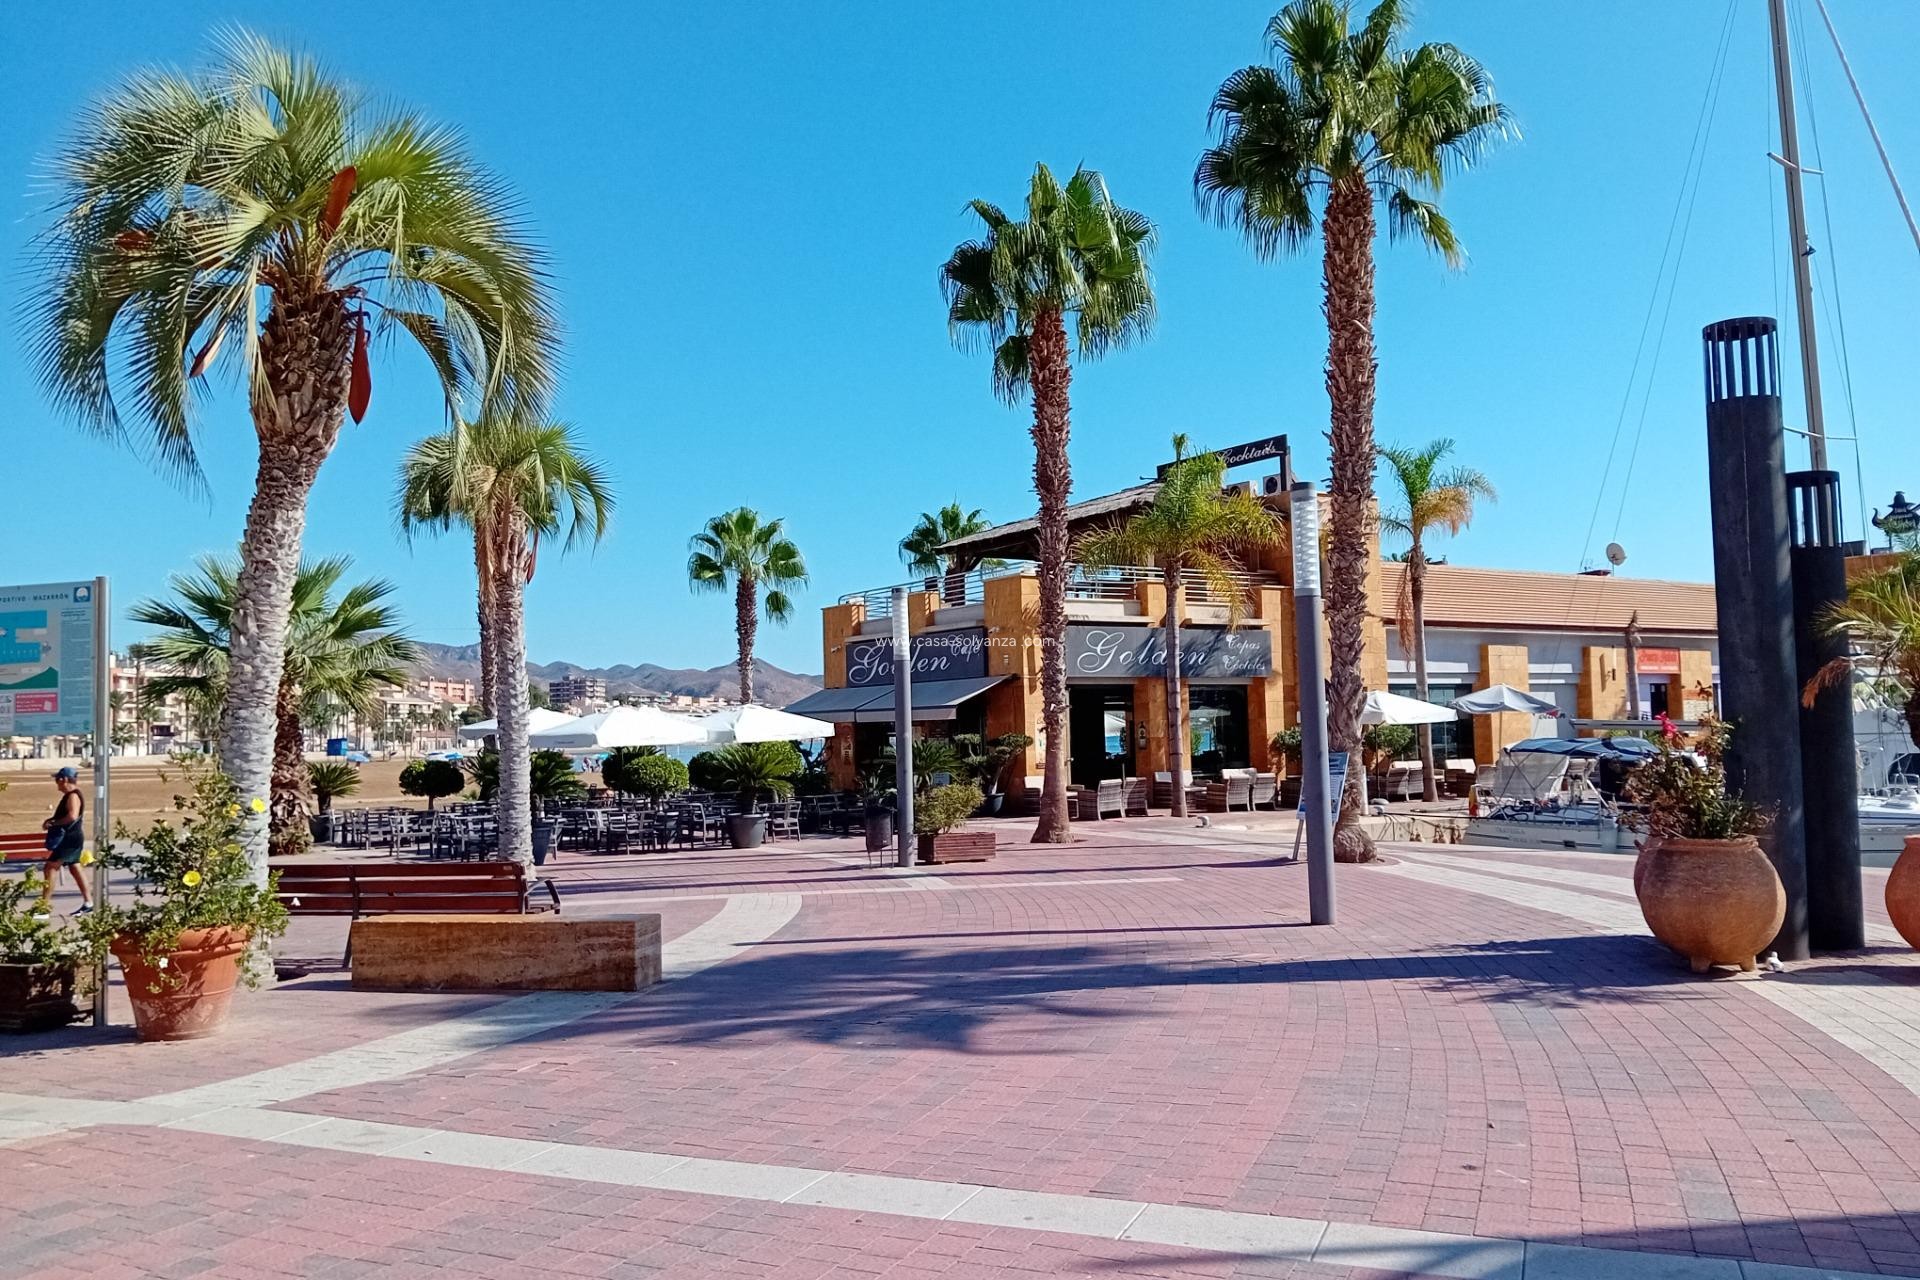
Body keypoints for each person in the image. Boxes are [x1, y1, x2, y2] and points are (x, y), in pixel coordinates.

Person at [38, 766, 92, 918]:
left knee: (50, 868)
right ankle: (88, 903)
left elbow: (73, 816)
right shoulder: (71, 795)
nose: (57, 783)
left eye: (58, 780)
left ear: (65, 780)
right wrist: (52, 820)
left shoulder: (73, 796)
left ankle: (44, 908)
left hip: (69, 839)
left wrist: (54, 824)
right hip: (73, 838)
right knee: (75, 867)